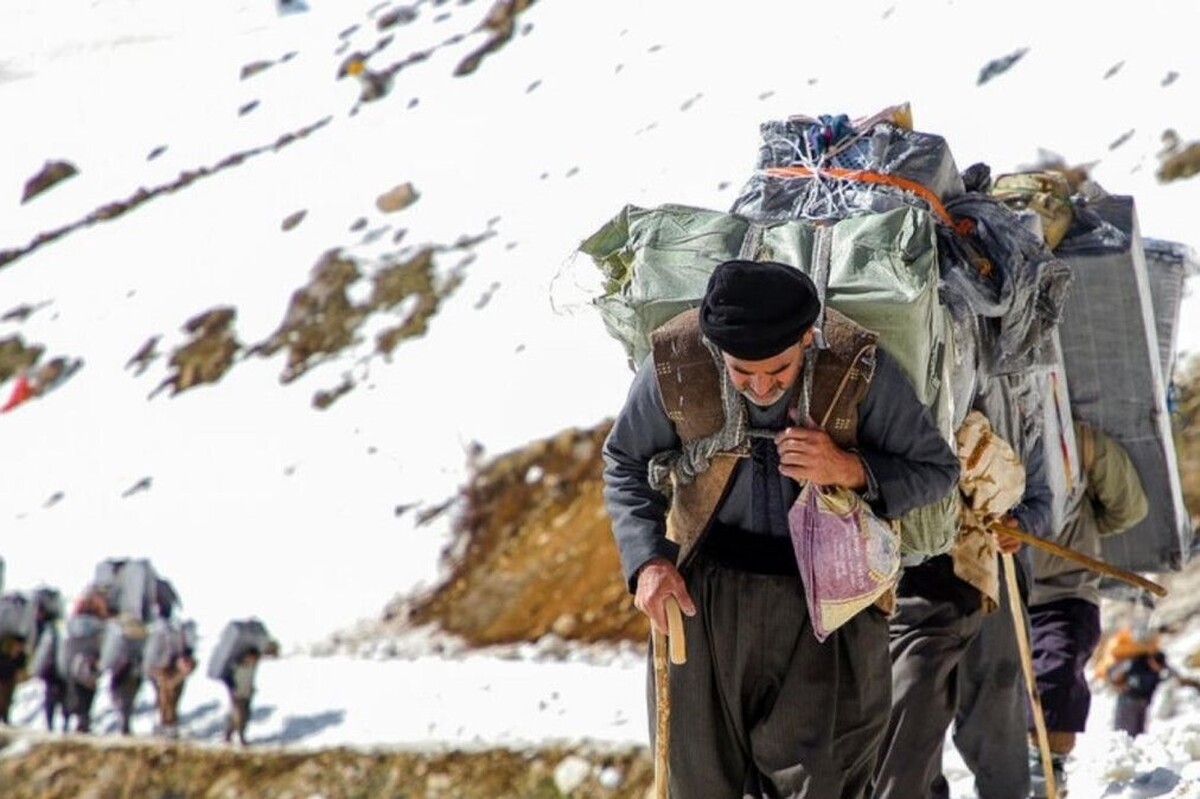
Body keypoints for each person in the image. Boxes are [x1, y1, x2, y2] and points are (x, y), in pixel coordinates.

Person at [602, 259, 960, 798]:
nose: (762, 387)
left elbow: (937, 472)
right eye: (743, 374)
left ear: (808, 338)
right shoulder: (677, 365)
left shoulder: (856, 367)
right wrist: (648, 562)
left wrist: (849, 469)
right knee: (695, 779)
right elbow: (625, 462)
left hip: (830, 605)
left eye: (780, 370)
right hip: (705, 599)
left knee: (822, 781)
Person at [872, 407, 1052, 799]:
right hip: (915, 582)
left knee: (997, 699)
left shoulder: (1015, 413)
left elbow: (1041, 501)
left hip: (993, 578)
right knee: (913, 700)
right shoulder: (905, 403)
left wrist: (1021, 528)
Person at [1026, 421, 1147, 796]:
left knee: (1055, 673)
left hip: (1067, 593)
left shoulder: (1081, 441)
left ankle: (1047, 774)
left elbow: (1128, 509)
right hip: (1002, 595)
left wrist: (1087, 449)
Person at [221, 637, 278, 745]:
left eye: (254, 659)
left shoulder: (253, 665)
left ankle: (230, 735)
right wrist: (232, 688)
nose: (253, 661)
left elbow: (268, 652)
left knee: (243, 715)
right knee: (239, 715)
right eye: (251, 658)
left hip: (248, 693)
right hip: (237, 693)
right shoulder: (237, 665)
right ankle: (239, 737)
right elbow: (228, 676)